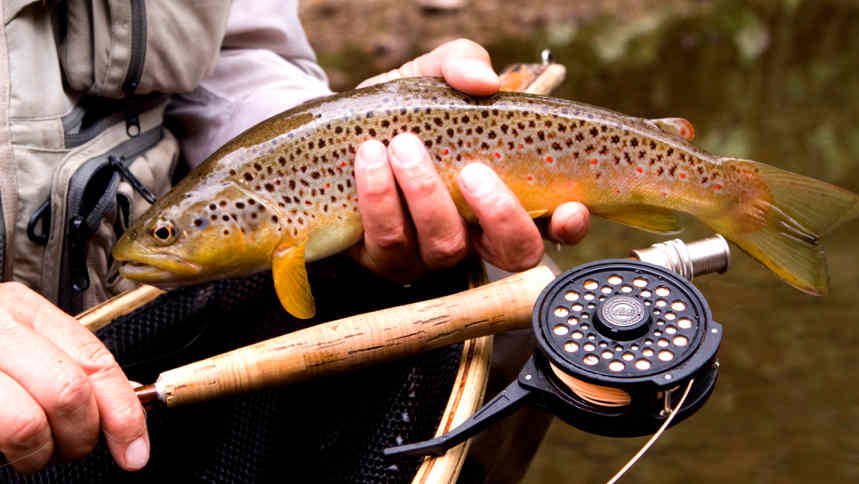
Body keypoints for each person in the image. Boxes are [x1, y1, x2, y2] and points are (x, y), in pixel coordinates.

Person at [0, 0, 589, 476]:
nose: (155, 245)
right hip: (78, 362)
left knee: (520, 327)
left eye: (165, 236)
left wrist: (350, 139)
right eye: (165, 236)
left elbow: (237, 51)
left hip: (162, 327)